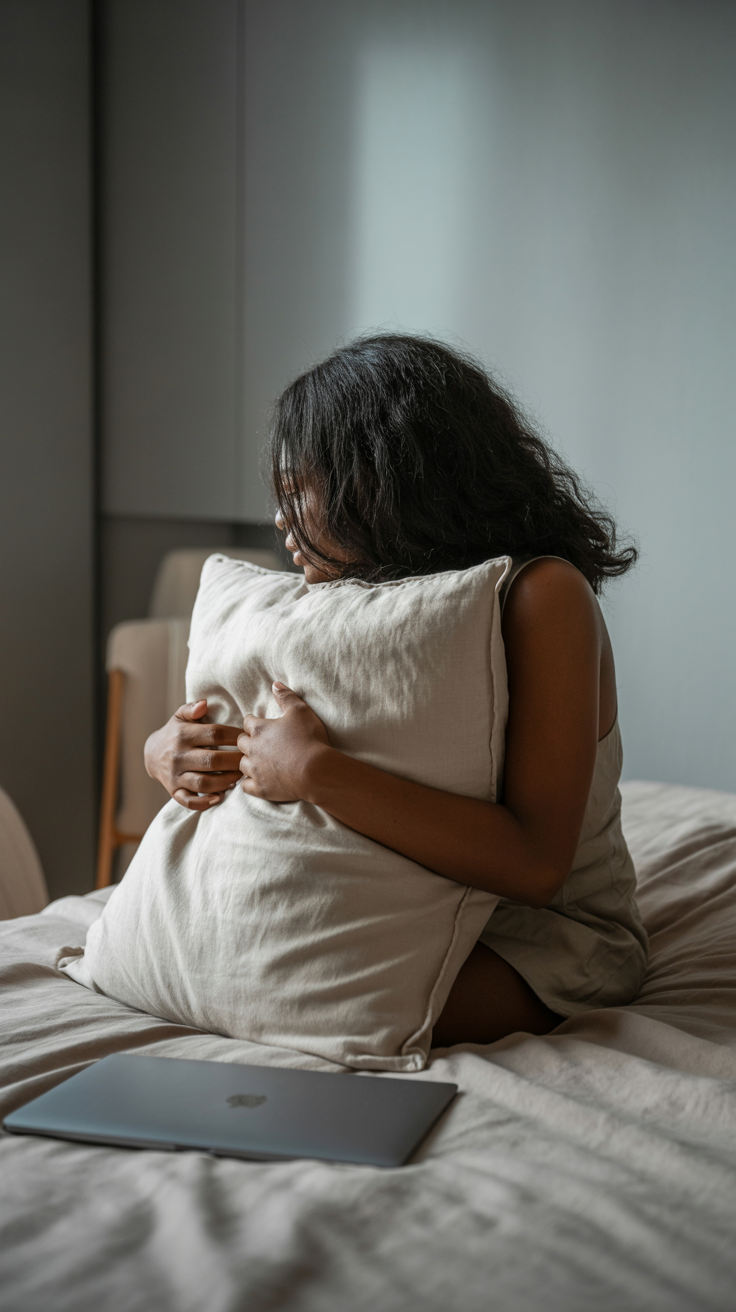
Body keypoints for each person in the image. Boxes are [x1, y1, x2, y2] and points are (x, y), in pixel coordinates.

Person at [144, 334, 647, 1047]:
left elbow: (535, 865)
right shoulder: (354, 604)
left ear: (380, 479)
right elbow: (261, 739)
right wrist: (168, 750)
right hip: (394, 899)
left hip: (539, 936)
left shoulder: (540, 598)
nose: (281, 521)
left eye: (298, 492)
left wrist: (317, 773)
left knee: (297, 1006)